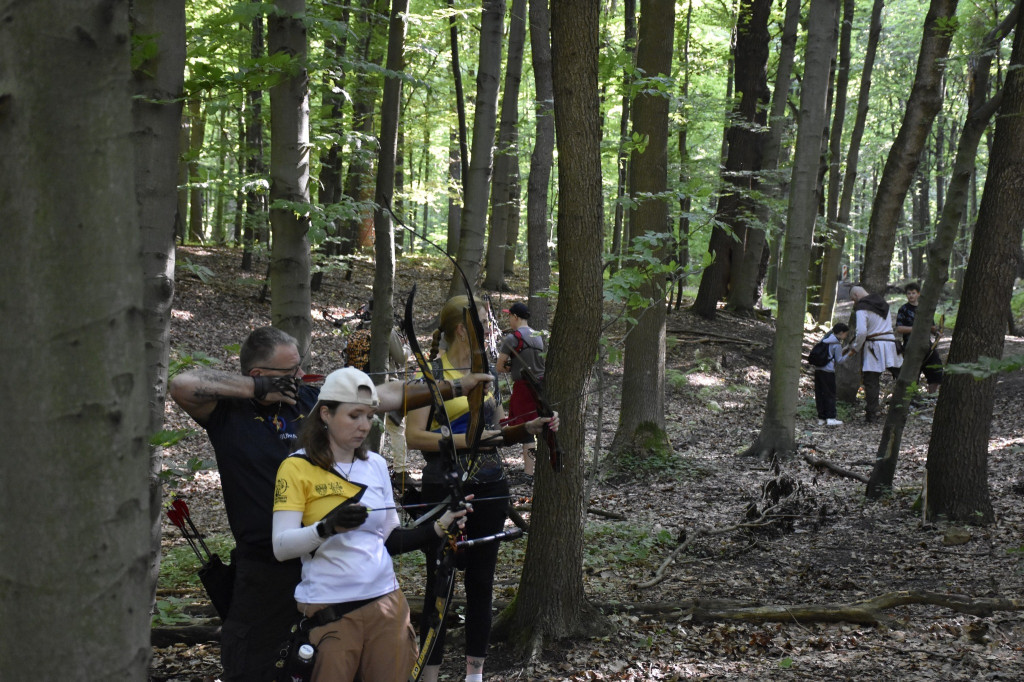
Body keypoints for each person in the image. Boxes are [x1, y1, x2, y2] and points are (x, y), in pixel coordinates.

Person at [168, 326, 492, 681]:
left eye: (298, 369)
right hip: (264, 569)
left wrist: (457, 386)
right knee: (256, 666)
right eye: (289, 373)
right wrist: (257, 389)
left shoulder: (311, 402)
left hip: (325, 568)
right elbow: (182, 383)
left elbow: (385, 395)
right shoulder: (227, 411)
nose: (298, 377)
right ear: (259, 374)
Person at [271, 367, 469, 682]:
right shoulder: (296, 467)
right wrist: (326, 528)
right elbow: (281, 547)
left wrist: (440, 526)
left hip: (386, 605)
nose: (364, 426)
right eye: (354, 416)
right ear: (325, 413)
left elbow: (389, 539)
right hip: (331, 611)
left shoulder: (375, 464)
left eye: (369, 416)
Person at [405, 296, 558, 682]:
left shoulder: (485, 371)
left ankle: (475, 675)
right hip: (445, 488)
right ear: (462, 329)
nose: (492, 329)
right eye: (485, 322)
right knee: (440, 583)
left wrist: (529, 428)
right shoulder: (430, 372)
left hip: (490, 486)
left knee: (481, 584)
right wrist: (464, 440)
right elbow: (413, 436)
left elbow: (497, 427)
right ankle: (430, 675)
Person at [495, 301, 547, 479]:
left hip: (524, 388)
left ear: (515, 317)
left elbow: (499, 366)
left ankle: (528, 473)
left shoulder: (513, 338)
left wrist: (511, 368)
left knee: (527, 429)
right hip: (541, 386)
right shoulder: (538, 336)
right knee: (541, 424)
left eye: (509, 316)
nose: (509, 319)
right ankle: (541, 468)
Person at [848, 286, 903, 422]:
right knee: (901, 375)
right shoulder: (883, 303)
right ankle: (904, 408)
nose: (854, 302)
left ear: (856, 295)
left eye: (853, 299)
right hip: (890, 344)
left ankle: (872, 414)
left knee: (871, 381)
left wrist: (855, 347)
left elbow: (861, 332)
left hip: (874, 347)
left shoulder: (862, 306)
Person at [895, 282, 943, 393]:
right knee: (911, 376)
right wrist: (917, 329)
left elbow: (931, 327)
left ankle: (931, 396)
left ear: (918, 294)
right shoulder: (904, 309)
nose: (911, 296)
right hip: (910, 345)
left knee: (936, 370)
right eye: (908, 293)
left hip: (927, 345)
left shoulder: (925, 309)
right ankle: (912, 398)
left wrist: (937, 333)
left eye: (913, 293)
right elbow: (899, 328)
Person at [813, 323, 849, 426]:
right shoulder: (836, 344)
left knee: (820, 394)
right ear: (841, 333)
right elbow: (840, 360)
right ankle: (831, 418)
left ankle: (821, 417)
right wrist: (850, 354)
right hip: (828, 372)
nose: (845, 337)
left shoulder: (825, 339)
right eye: (846, 334)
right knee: (830, 394)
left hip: (818, 370)